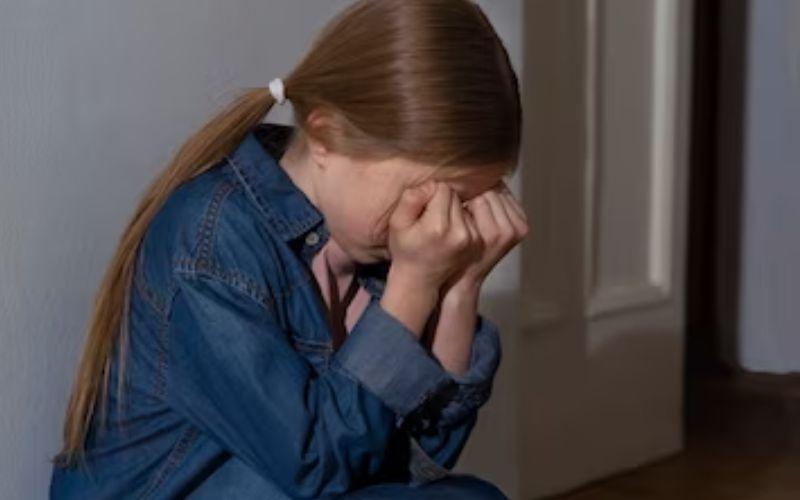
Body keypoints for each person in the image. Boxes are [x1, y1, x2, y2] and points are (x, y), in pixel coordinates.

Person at [49, 0, 526, 498]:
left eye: (466, 203)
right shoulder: (211, 243)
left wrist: (460, 286)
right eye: (431, 196)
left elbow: (413, 463)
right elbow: (318, 466)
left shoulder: (385, 247)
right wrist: (413, 286)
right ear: (325, 137)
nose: (446, 226)